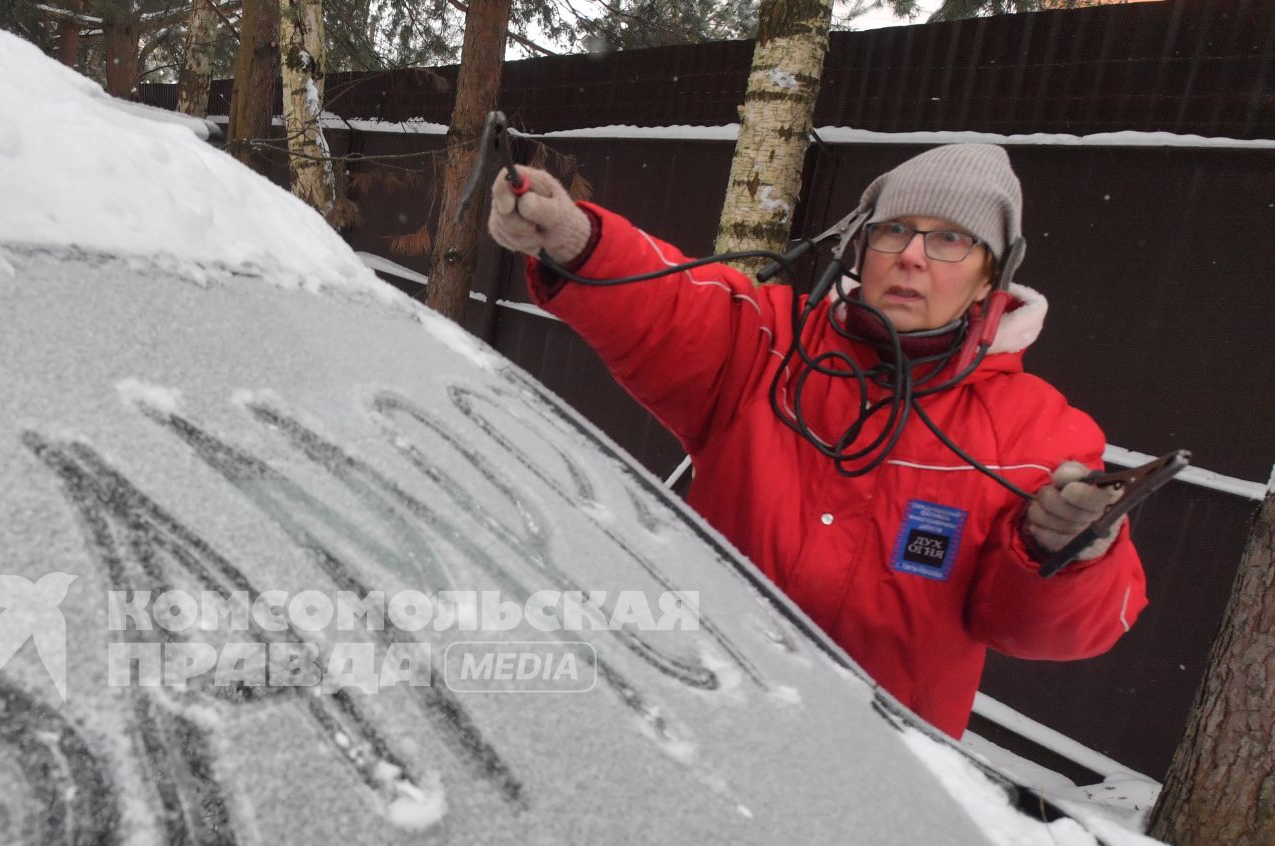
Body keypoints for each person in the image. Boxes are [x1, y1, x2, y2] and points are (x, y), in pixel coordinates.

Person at [486, 142, 1147, 738]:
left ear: (989, 278)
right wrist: (575, 239)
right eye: (895, 230)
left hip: (878, 769)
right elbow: (671, 302)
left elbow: (1046, 629)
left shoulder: (1042, 434)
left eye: (950, 239)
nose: (912, 255)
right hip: (699, 717)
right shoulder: (770, 345)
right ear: (861, 247)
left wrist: (1070, 552)